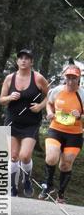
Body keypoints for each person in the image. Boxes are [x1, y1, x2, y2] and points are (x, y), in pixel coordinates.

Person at [0, 48, 48, 197]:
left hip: (30, 123)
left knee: (25, 156)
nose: (23, 60)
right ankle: (12, 187)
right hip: (12, 121)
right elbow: (1, 100)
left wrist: (40, 106)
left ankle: (27, 179)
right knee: (14, 156)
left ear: (32, 62)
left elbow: (50, 95)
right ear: (17, 61)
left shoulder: (38, 78)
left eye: (27, 58)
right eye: (21, 58)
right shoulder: (9, 78)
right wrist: (9, 98)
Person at [39, 63, 84, 204]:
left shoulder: (82, 94)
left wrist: (80, 116)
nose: (70, 81)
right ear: (65, 77)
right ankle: (48, 186)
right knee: (51, 157)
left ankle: (61, 194)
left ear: (78, 78)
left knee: (65, 164)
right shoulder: (57, 90)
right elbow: (49, 103)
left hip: (74, 134)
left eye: (73, 78)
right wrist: (49, 112)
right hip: (56, 130)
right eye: (68, 77)